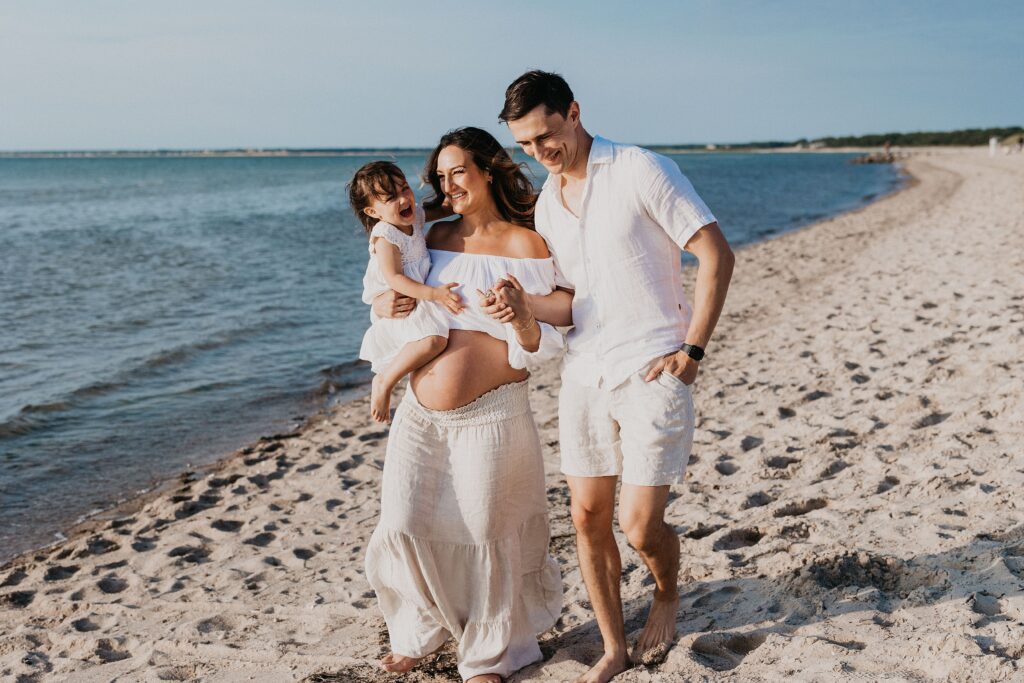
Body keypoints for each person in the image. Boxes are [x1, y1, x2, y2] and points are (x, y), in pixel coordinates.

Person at [499, 70, 735, 683]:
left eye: (547, 135)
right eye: (526, 145)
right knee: (585, 517)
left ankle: (665, 591)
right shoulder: (548, 202)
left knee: (639, 524)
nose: (540, 152)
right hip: (584, 373)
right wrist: (522, 308)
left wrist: (693, 353)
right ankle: (613, 647)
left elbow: (715, 253)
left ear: (574, 112)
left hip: (652, 365)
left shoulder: (639, 168)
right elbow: (571, 298)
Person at [363, 127, 572, 682]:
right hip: (420, 416)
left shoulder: (527, 244)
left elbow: (547, 340)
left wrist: (521, 315)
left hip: (493, 415)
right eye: (439, 174)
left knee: (485, 533)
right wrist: (385, 302)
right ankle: (420, 629)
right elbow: (397, 305)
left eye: (458, 171)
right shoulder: (429, 237)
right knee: (406, 521)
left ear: (487, 170)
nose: (445, 183)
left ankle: (493, 654)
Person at [350, 161, 461, 422]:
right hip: (402, 303)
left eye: (404, 189)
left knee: (437, 341)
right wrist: (435, 294)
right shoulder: (386, 235)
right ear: (373, 211)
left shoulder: (415, 217)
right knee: (434, 340)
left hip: (416, 296)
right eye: (390, 197)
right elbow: (395, 278)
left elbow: (444, 208)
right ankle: (385, 381)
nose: (403, 199)